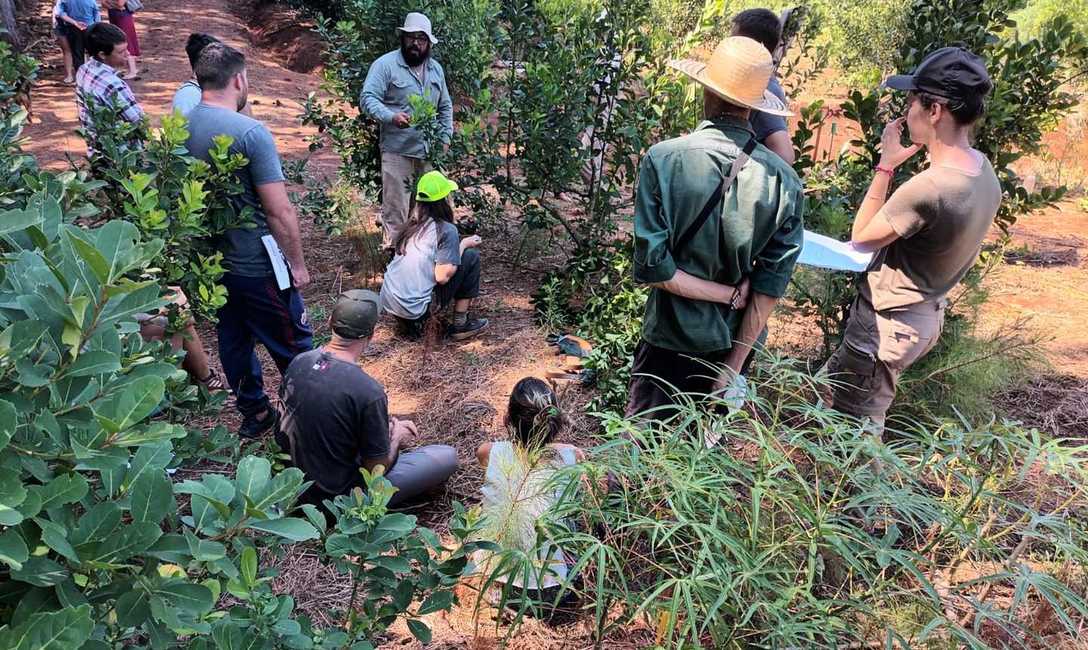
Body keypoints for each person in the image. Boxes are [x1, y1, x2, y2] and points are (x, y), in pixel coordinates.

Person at [626, 36, 804, 421]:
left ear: (706, 90)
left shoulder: (662, 159)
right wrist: (733, 365)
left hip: (668, 338)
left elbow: (655, 268)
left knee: (640, 454)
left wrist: (725, 295)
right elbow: (769, 287)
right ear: (754, 107)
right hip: (730, 343)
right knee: (700, 461)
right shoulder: (784, 183)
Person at [823, 47, 999, 431]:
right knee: (829, 389)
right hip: (923, 316)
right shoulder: (983, 172)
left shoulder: (931, 187)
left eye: (911, 100)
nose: (907, 111)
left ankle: (859, 491)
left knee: (855, 436)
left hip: (885, 325)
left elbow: (861, 239)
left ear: (935, 110)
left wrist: (886, 165)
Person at [184, 42, 313, 438]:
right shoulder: (250, 133)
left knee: (234, 338)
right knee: (294, 342)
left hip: (213, 265)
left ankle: (254, 413)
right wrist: (298, 264)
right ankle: (313, 418)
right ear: (239, 79)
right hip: (257, 264)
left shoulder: (182, 127)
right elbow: (279, 211)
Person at [278, 290, 459, 508]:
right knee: (447, 456)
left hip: (292, 489)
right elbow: (375, 472)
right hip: (340, 501)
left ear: (329, 323)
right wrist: (396, 439)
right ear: (371, 334)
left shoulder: (299, 363)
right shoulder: (368, 390)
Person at [475, 377, 581, 612]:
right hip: (555, 590)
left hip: (497, 583)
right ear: (555, 421)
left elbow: (489, 455)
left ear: (508, 419)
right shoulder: (572, 458)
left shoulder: (489, 453)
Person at [360, 12, 454, 250]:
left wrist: (445, 137)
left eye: (421, 39)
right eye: (411, 37)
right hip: (397, 152)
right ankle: (394, 261)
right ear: (403, 38)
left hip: (429, 153)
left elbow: (445, 106)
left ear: (429, 43)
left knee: (433, 209)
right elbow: (368, 98)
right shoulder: (385, 65)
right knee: (396, 211)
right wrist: (391, 117)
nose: (416, 43)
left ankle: (430, 259)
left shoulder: (436, 71)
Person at [379, 171, 488, 340]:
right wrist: (464, 244)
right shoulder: (445, 229)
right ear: (444, 200)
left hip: (391, 303)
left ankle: (408, 325)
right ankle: (461, 324)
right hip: (416, 310)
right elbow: (442, 276)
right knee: (471, 256)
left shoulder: (411, 225)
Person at [730, 8, 794, 164]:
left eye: (734, 40)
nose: (729, 46)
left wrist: (748, 177)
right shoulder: (753, 81)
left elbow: (785, 156)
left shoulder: (763, 90)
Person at [136, 287, 225, 391]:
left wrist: (165, 290)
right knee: (174, 323)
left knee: (181, 319)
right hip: (126, 311)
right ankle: (178, 385)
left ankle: (200, 377)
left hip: (141, 297)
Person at [75, 23, 144, 156]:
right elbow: (138, 122)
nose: (127, 54)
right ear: (102, 54)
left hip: (96, 150)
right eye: (121, 52)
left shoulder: (83, 70)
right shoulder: (112, 84)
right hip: (121, 157)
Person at [57, 0, 102, 73]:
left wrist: (75, 22)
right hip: (90, 27)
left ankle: (80, 76)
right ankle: (95, 74)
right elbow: (96, 13)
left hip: (73, 28)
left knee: (77, 53)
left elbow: (60, 13)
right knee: (93, 52)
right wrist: (97, 27)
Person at [105, 0, 141, 80]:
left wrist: (110, 3)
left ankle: (133, 70)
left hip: (123, 17)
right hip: (114, 16)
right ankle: (130, 69)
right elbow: (104, 3)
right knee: (118, 39)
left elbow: (120, 4)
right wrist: (114, 5)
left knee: (126, 40)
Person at [53, 1, 75, 84]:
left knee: (80, 49)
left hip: (76, 20)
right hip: (61, 23)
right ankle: (69, 75)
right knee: (67, 50)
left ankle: (80, 75)